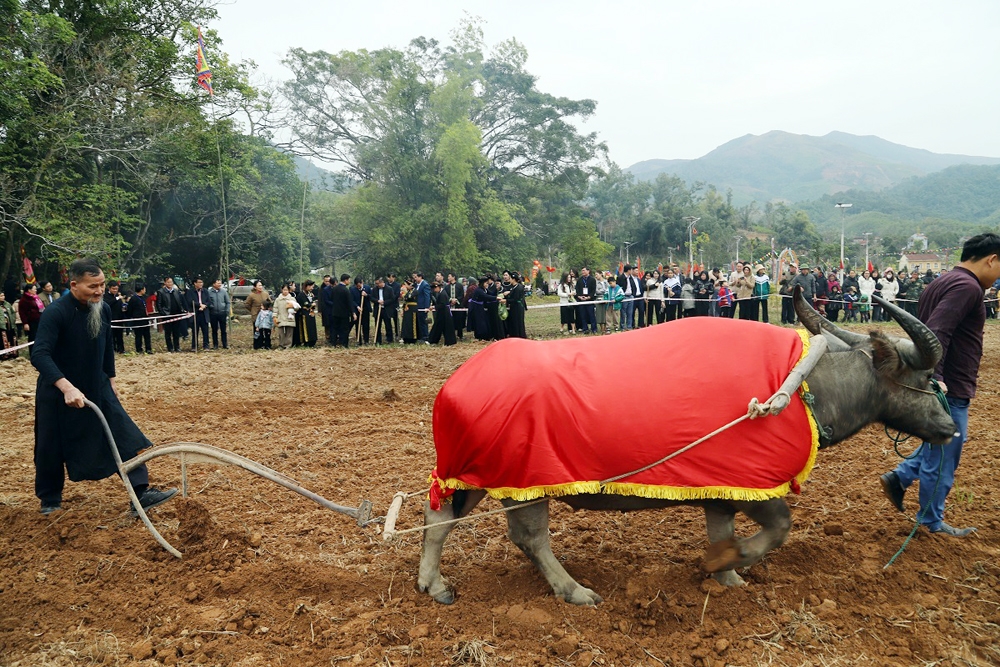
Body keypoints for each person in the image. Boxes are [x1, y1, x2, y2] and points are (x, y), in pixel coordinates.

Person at [30, 257, 176, 515]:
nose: (99, 291)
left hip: (97, 384)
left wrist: (111, 379)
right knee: (50, 445)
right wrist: (66, 387)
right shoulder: (57, 312)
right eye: (92, 286)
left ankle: (140, 493)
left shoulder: (103, 308)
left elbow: (106, 346)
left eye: (102, 285)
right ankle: (50, 499)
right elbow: (40, 354)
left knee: (123, 434)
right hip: (58, 388)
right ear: (74, 285)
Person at [879, 233, 1000, 537]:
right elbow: (936, 332)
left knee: (939, 446)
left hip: (948, 382)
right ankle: (931, 521)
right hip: (951, 387)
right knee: (946, 455)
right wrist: (938, 378)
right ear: (992, 259)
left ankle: (901, 477)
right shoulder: (967, 287)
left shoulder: (943, 281)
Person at [155, 277, 185, 353]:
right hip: (167, 315)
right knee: (168, 332)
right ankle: (170, 348)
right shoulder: (161, 292)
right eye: (168, 282)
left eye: (171, 282)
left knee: (176, 332)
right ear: (165, 283)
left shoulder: (176, 291)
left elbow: (179, 302)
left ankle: (177, 347)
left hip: (176, 314)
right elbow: (158, 304)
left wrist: (181, 310)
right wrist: (163, 313)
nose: (170, 284)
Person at [18, 283, 44, 353]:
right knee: (33, 337)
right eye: (34, 289)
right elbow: (22, 313)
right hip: (31, 321)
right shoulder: (24, 300)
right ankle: (33, 352)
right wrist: (25, 323)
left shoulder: (36, 297)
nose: (36, 290)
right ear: (29, 290)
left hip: (39, 319)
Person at [103, 281, 128, 353]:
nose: (115, 290)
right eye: (113, 289)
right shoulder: (105, 296)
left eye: (116, 289)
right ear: (109, 288)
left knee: (120, 335)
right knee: (112, 335)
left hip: (119, 318)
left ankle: (121, 349)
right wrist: (117, 298)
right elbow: (108, 303)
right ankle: (112, 349)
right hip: (111, 319)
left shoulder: (118, 296)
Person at [127, 284, 152, 354]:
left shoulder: (144, 297)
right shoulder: (133, 299)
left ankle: (148, 349)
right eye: (144, 289)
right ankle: (139, 349)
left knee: (147, 335)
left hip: (145, 319)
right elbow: (130, 309)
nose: (145, 290)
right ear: (141, 290)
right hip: (137, 320)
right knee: (138, 335)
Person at [273, 283, 300, 349]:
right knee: (281, 333)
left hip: (289, 317)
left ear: (289, 290)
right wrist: (274, 316)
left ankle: (288, 345)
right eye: (284, 290)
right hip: (281, 317)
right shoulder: (278, 300)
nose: (285, 291)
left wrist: (293, 306)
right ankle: (281, 345)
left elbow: (297, 307)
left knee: (289, 332)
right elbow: (275, 308)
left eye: (287, 290)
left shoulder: (292, 299)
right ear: (281, 290)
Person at [329, 275, 353, 348]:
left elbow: (331, 298)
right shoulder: (346, 290)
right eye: (349, 280)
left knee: (335, 328)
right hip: (344, 313)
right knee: (345, 329)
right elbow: (349, 302)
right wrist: (352, 312)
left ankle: (333, 344)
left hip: (335, 312)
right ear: (345, 280)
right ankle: (344, 344)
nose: (349, 281)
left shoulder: (334, 288)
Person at [186, 277, 210, 351]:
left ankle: (206, 346)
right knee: (195, 330)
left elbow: (209, 301)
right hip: (195, 313)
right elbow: (190, 301)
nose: (201, 284)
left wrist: (204, 306)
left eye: (201, 282)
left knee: (205, 330)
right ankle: (194, 346)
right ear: (195, 283)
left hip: (204, 312)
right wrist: (200, 305)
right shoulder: (190, 292)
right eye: (199, 282)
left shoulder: (205, 291)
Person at [206, 278, 231, 349]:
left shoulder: (224, 292)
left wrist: (227, 310)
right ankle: (215, 345)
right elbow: (207, 302)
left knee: (223, 330)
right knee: (214, 330)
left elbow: (227, 302)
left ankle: (225, 344)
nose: (220, 284)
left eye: (220, 283)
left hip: (222, 313)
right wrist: (211, 306)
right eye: (218, 283)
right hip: (213, 314)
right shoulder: (209, 292)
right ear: (214, 284)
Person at [372, 276, 396, 344]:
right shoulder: (374, 289)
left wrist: (384, 302)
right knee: (378, 325)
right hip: (378, 309)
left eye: (378, 283)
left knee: (388, 325)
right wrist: (377, 301)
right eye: (376, 284)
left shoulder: (389, 289)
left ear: (382, 282)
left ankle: (389, 339)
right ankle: (378, 340)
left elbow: (392, 299)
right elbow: (371, 298)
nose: (377, 285)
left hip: (386, 310)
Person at [504, 271, 527, 339]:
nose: (509, 280)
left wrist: (506, 301)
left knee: (518, 322)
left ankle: (519, 336)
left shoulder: (518, 287)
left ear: (513, 279)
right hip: (514, 307)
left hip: (518, 307)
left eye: (510, 278)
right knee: (513, 321)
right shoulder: (514, 287)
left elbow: (515, 299)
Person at [575, 267, 597, 334]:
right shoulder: (579, 280)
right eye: (582, 271)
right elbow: (577, 289)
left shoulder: (592, 280)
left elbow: (593, 290)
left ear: (588, 271)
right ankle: (585, 328)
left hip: (590, 300)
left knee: (591, 315)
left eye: (584, 270)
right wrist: (579, 296)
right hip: (581, 300)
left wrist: (589, 297)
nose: (583, 272)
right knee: (583, 315)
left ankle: (594, 329)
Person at [349, 277, 371, 345]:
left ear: (362, 282)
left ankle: (366, 341)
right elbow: (351, 300)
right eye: (357, 286)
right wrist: (357, 306)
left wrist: (366, 295)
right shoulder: (352, 289)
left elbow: (372, 296)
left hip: (365, 309)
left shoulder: (367, 288)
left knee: (366, 325)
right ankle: (359, 340)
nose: (359, 287)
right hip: (357, 309)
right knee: (357, 325)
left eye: (360, 285)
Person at [413, 272, 432, 341]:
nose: (415, 279)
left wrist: (426, 307)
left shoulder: (425, 285)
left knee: (423, 322)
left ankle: (425, 336)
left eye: (416, 277)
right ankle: (420, 336)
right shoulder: (416, 285)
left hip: (422, 306)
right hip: (417, 306)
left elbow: (427, 297)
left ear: (420, 277)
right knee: (419, 322)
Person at [0, 289, 18, 359]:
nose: (3, 297)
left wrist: (12, 319)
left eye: (3, 295)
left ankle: (13, 353)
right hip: (1, 326)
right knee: (3, 340)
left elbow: (13, 312)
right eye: (1, 296)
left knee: (12, 338)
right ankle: (4, 355)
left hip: (10, 325)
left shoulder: (7, 304)